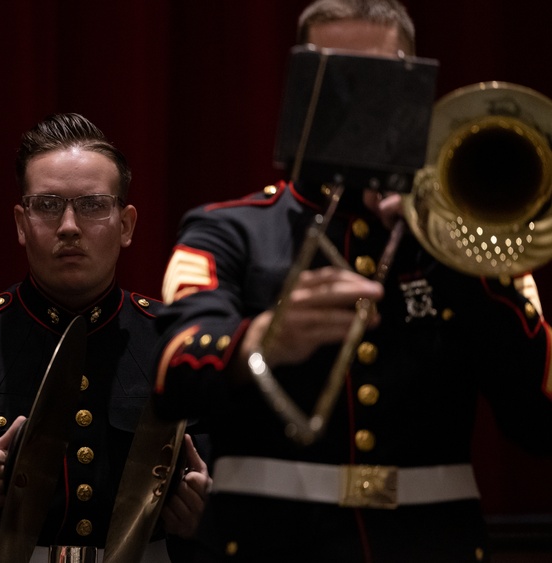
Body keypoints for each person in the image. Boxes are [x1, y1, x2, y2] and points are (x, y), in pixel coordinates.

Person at [151, 1, 552, 562]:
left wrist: (462, 257)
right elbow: (171, 370)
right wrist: (258, 341)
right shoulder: (230, 229)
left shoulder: (471, 243)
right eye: (338, 78)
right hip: (273, 545)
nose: (364, 100)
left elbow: (538, 421)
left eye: (387, 77)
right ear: (300, 91)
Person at [0, 113, 210, 562]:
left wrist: (206, 517)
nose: (69, 226)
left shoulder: (183, 346)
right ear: (21, 224)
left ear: (127, 224)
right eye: (47, 205)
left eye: (94, 204)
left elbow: (237, 516)